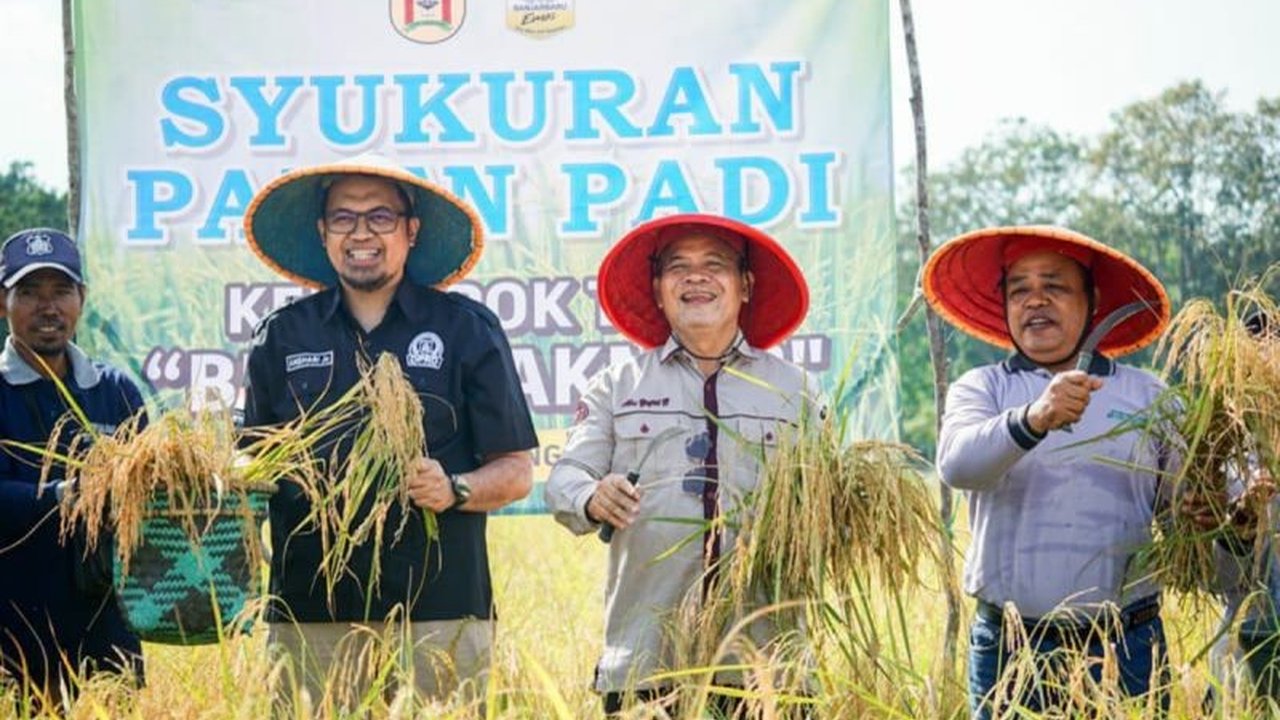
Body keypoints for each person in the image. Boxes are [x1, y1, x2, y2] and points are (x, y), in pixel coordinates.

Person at [240, 153, 537, 707]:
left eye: (379, 216)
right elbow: (251, 466)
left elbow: (517, 471)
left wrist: (455, 488)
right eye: (343, 218)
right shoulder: (282, 336)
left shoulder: (466, 329)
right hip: (310, 614)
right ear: (323, 232)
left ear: (411, 230)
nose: (361, 233)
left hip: (440, 615)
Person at [545, 213, 820, 716]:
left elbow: (829, 502)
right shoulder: (617, 385)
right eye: (678, 266)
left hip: (767, 664)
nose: (695, 277)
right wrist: (591, 496)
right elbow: (564, 479)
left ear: (745, 285)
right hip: (648, 664)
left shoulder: (795, 390)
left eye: (714, 264)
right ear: (657, 290)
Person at [924, 225, 1178, 717]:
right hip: (1011, 649)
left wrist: (1222, 511)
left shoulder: (1149, 396)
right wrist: (1034, 418)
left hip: (1126, 648)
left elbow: (1186, 511)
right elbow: (958, 465)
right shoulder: (984, 388)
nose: (1035, 301)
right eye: (1019, 290)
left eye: (1054, 286)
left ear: (1093, 300)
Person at [0, 228, 144, 705]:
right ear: (3, 302)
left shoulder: (115, 390)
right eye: (29, 293)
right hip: (12, 626)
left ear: (81, 298)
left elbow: (149, 494)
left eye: (61, 291)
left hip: (107, 627)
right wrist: (62, 495)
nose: (49, 307)